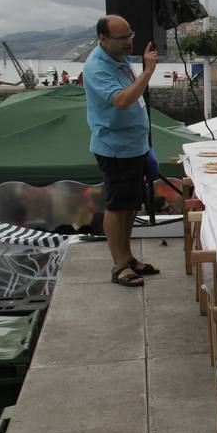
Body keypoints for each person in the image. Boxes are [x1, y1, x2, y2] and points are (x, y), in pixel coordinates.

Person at [84, 16, 161, 287]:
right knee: (117, 206)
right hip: (115, 147)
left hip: (135, 145)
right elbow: (123, 100)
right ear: (103, 38)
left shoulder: (121, 58)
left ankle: (128, 257)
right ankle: (119, 266)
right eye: (121, 38)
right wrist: (148, 72)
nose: (129, 41)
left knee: (130, 205)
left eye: (130, 34)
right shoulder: (97, 66)